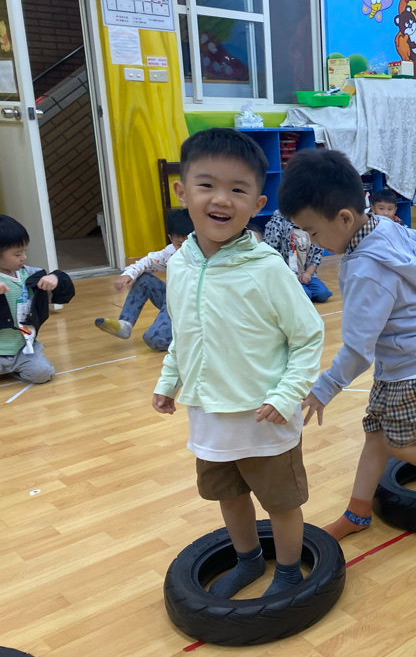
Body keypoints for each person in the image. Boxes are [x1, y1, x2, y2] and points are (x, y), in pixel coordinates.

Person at [277, 149, 416, 542]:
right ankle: (358, 512)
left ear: (344, 218)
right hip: (402, 363)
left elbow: (358, 349)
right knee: (376, 436)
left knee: (399, 444)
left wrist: (324, 388)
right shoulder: (383, 225)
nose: (312, 241)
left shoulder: (366, 270)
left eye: (312, 232)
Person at [152, 128, 325, 598]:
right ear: (182, 191)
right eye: (207, 185)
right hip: (207, 413)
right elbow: (183, 331)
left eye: (237, 189)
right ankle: (248, 560)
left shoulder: (268, 268)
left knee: (280, 503)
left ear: (257, 203)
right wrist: (168, 381)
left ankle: (287, 572)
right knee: (228, 495)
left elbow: (308, 336)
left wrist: (286, 395)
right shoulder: (180, 265)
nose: (221, 199)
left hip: (264, 416)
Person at [94, 208, 193, 350]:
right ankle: (125, 324)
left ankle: (190, 338)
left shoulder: (205, 255)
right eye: (179, 244)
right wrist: (128, 274)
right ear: (171, 239)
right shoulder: (170, 253)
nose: (184, 249)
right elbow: (147, 261)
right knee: (143, 279)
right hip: (172, 300)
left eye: (189, 244)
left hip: (191, 307)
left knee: (153, 339)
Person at [0, 215, 75, 384]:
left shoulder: (30, 274)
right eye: (17, 254)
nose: (24, 257)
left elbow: (65, 288)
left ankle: (13, 368)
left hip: (23, 349)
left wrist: (55, 278)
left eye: (24, 251)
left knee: (43, 373)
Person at [259, 209, 333, 303]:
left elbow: (317, 253)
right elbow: (271, 253)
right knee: (306, 295)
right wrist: (288, 275)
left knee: (323, 294)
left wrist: (308, 273)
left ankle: (298, 291)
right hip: (285, 275)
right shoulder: (277, 223)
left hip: (305, 274)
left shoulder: (313, 223)